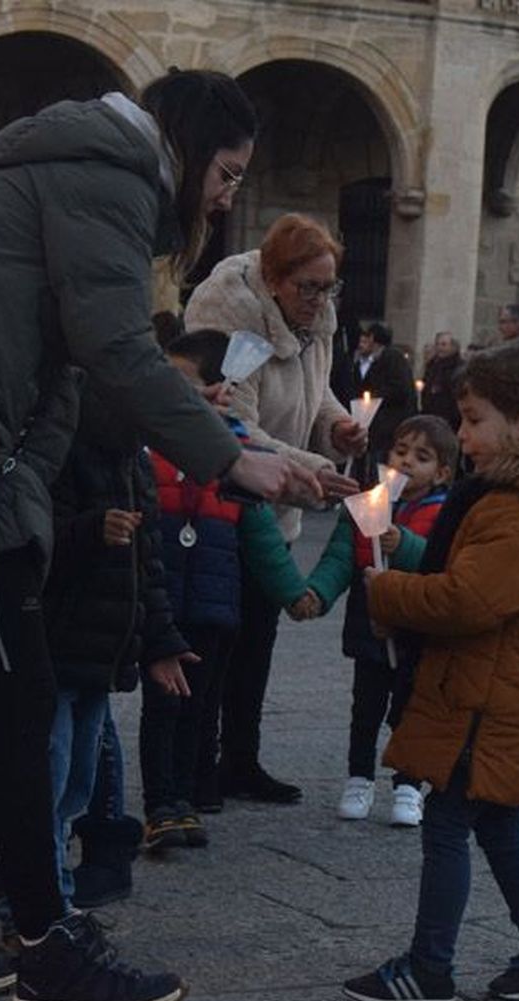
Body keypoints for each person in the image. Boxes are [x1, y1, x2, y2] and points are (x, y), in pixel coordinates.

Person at [0, 71, 321, 1001]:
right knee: (21, 706)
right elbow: (114, 347)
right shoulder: (107, 177)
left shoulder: (74, 170)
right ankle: (46, 952)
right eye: (228, 173)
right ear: (189, 144)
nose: (225, 197)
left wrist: (250, 447)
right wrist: (231, 462)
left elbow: (83, 367)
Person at [341, 341, 519, 1001]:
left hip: (485, 700)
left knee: (447, 822)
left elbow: (467, 600)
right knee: (496, 822)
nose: (461, 435)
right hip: (494, 690)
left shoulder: (513, 510)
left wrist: (387, 591)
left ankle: (430, 968)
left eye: (472, 420)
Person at [184, 213, 365, 806]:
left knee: (258, 638)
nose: (320, 300)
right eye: (308, 288)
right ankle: (195, 766)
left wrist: (336, 427)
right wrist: (311, 468)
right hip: (228, 499)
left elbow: (317, 388)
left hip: (278, 508)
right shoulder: (230, 311)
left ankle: (241, 758)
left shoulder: (318, 315)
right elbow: (233, 423)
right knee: (216, 638)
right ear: (274, 278)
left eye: (329, 287)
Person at [137, 329, 311, 851]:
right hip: (166, 597)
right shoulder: (150, 445)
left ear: (220, 390)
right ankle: (159, 803)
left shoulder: (239, 455)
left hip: (214, 598)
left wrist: (295, 592)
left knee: (200, 706)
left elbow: (260, 532)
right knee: (163, 706)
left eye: (184, 384)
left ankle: (188, 793)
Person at [40, 388, 196, 901]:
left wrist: (161, 643)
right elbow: (33, 536)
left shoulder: (135, 464)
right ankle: (42, 902)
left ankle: (54, 893)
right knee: (50, 779)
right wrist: (90, 530)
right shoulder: (63, 446)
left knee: (76, 784)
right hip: (59, 642)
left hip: (102, 654)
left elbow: (148, 564)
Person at [299, 415, 456, 827]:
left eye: (421, 457)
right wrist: (317, 593)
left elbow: (445, 565)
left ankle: (409, 784)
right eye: (400, 451)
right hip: (369, 624)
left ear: (442, 473)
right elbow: (341, 556)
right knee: (365, 708)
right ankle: (359, 778)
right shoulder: (370, 503)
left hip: (418, 630)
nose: (406, 462)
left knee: (411, 709)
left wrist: (404, 544)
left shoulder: (446, 515)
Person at [356, 325, 418, 461]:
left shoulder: (392, 357)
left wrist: (374, 396)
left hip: (391, 424)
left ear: (372, 338)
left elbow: (399, 389)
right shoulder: (378, 359)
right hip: (383, 425)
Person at [420, 332, 464, 432]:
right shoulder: (432, 365)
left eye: (444, 345)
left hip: (449, 418)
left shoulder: (459, 367)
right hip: (431, 415)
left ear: (453, 346)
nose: (440, 348)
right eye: (437, 344)